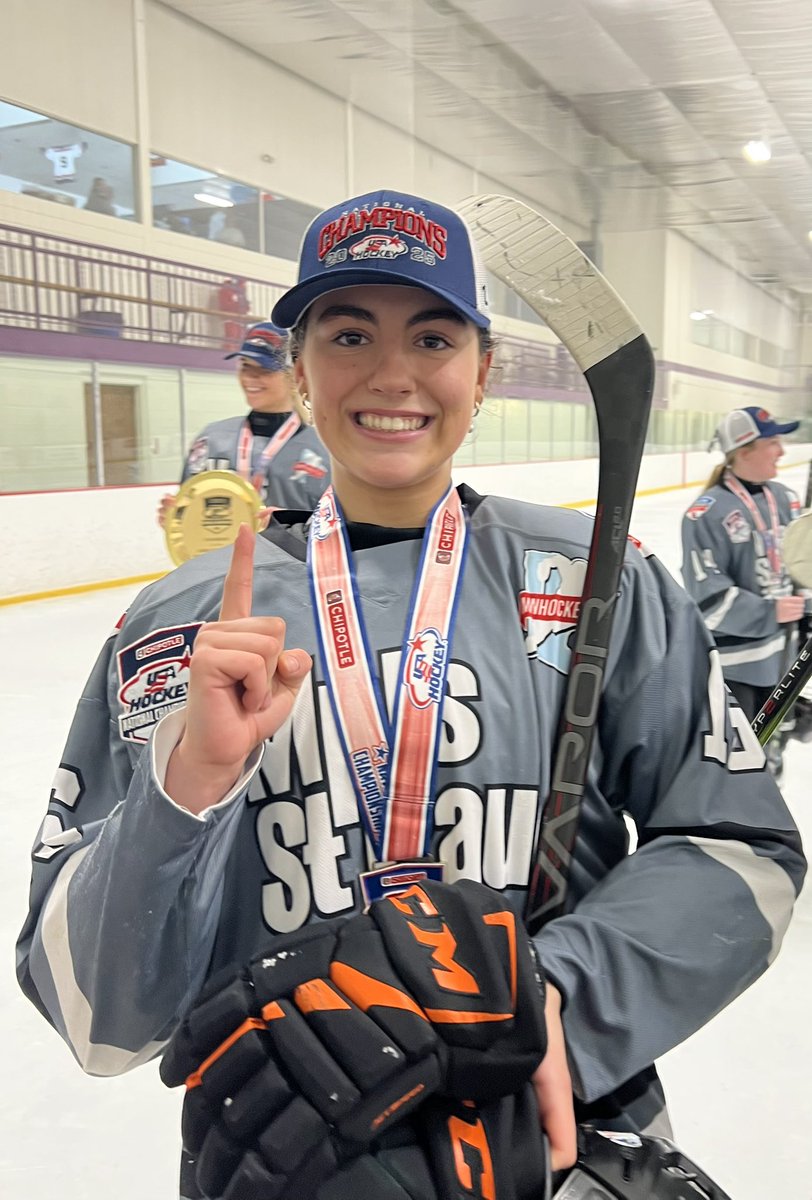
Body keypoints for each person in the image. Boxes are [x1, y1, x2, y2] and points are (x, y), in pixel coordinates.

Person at [17, 191, 805, 1200]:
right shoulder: (181, 628)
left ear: (481, 373)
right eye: (348, 334)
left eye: (431, 336)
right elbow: (98, 1014)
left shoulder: (594, 578)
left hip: (551, 1137)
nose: (392, 375)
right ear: (299, 371)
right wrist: (186, 791)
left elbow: (743, 852)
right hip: (290, 1159)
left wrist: (554, 996)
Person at [681, 406, 806, 774]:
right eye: (773, 442)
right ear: (744, 449)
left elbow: (800, 569)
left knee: (772, 756)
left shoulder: (785, 499)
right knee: (737, 764)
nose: (782, 451)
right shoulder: (706, 514)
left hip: (785, 659)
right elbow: (708, 599)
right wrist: (770, 612)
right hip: (737, 672)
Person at [156, 320, 330, 529]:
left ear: (293, 375)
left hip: (289, 562)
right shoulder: (210, 440)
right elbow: (190, 512)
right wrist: (176, 517)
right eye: (246, 366)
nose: (250, 378)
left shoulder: (323, 449)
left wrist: (297, 525)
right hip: (220, 561)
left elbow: (341, 530)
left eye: (265, 370)